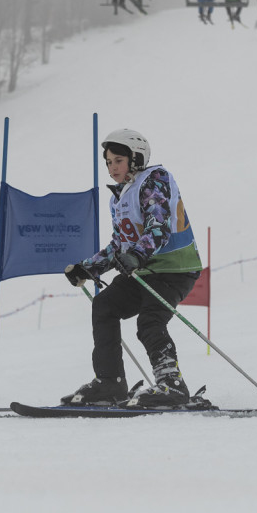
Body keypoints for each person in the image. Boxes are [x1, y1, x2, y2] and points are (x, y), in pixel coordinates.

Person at [62, 129, 203, 408]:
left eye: (118, 160)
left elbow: (158, 227)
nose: (112, 167)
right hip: (144, 270)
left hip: (174, 268)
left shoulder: (155, 180)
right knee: (104, 306)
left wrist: (137, 255)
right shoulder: (119, 197)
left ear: (136, 158)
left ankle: (171, 384)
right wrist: (88, 268)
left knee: (149, 320)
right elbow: (119, 244)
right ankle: (109, 382)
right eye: (108, 162)